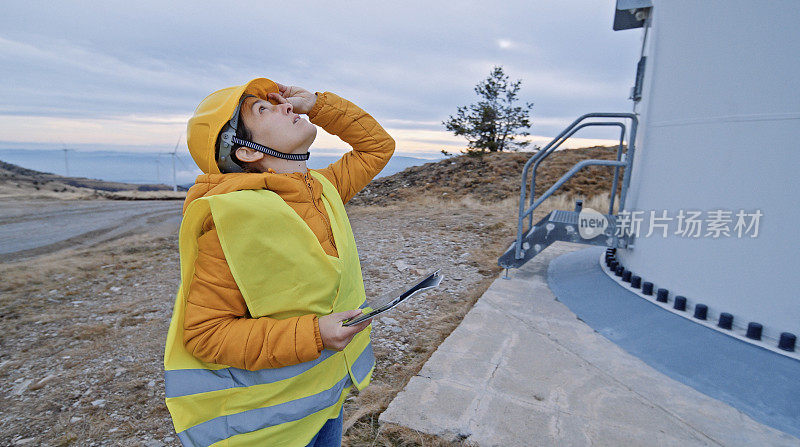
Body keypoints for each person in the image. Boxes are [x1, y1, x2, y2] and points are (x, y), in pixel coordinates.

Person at [163, 77, 395, 446]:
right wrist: (316, 334)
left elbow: (377, 147)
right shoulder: (232, 221)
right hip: (271, 424)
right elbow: (206, 334)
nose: (285, 105)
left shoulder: (323, 188)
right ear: (246, 152)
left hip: (325, 400)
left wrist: (318, 104)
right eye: (263, 109)